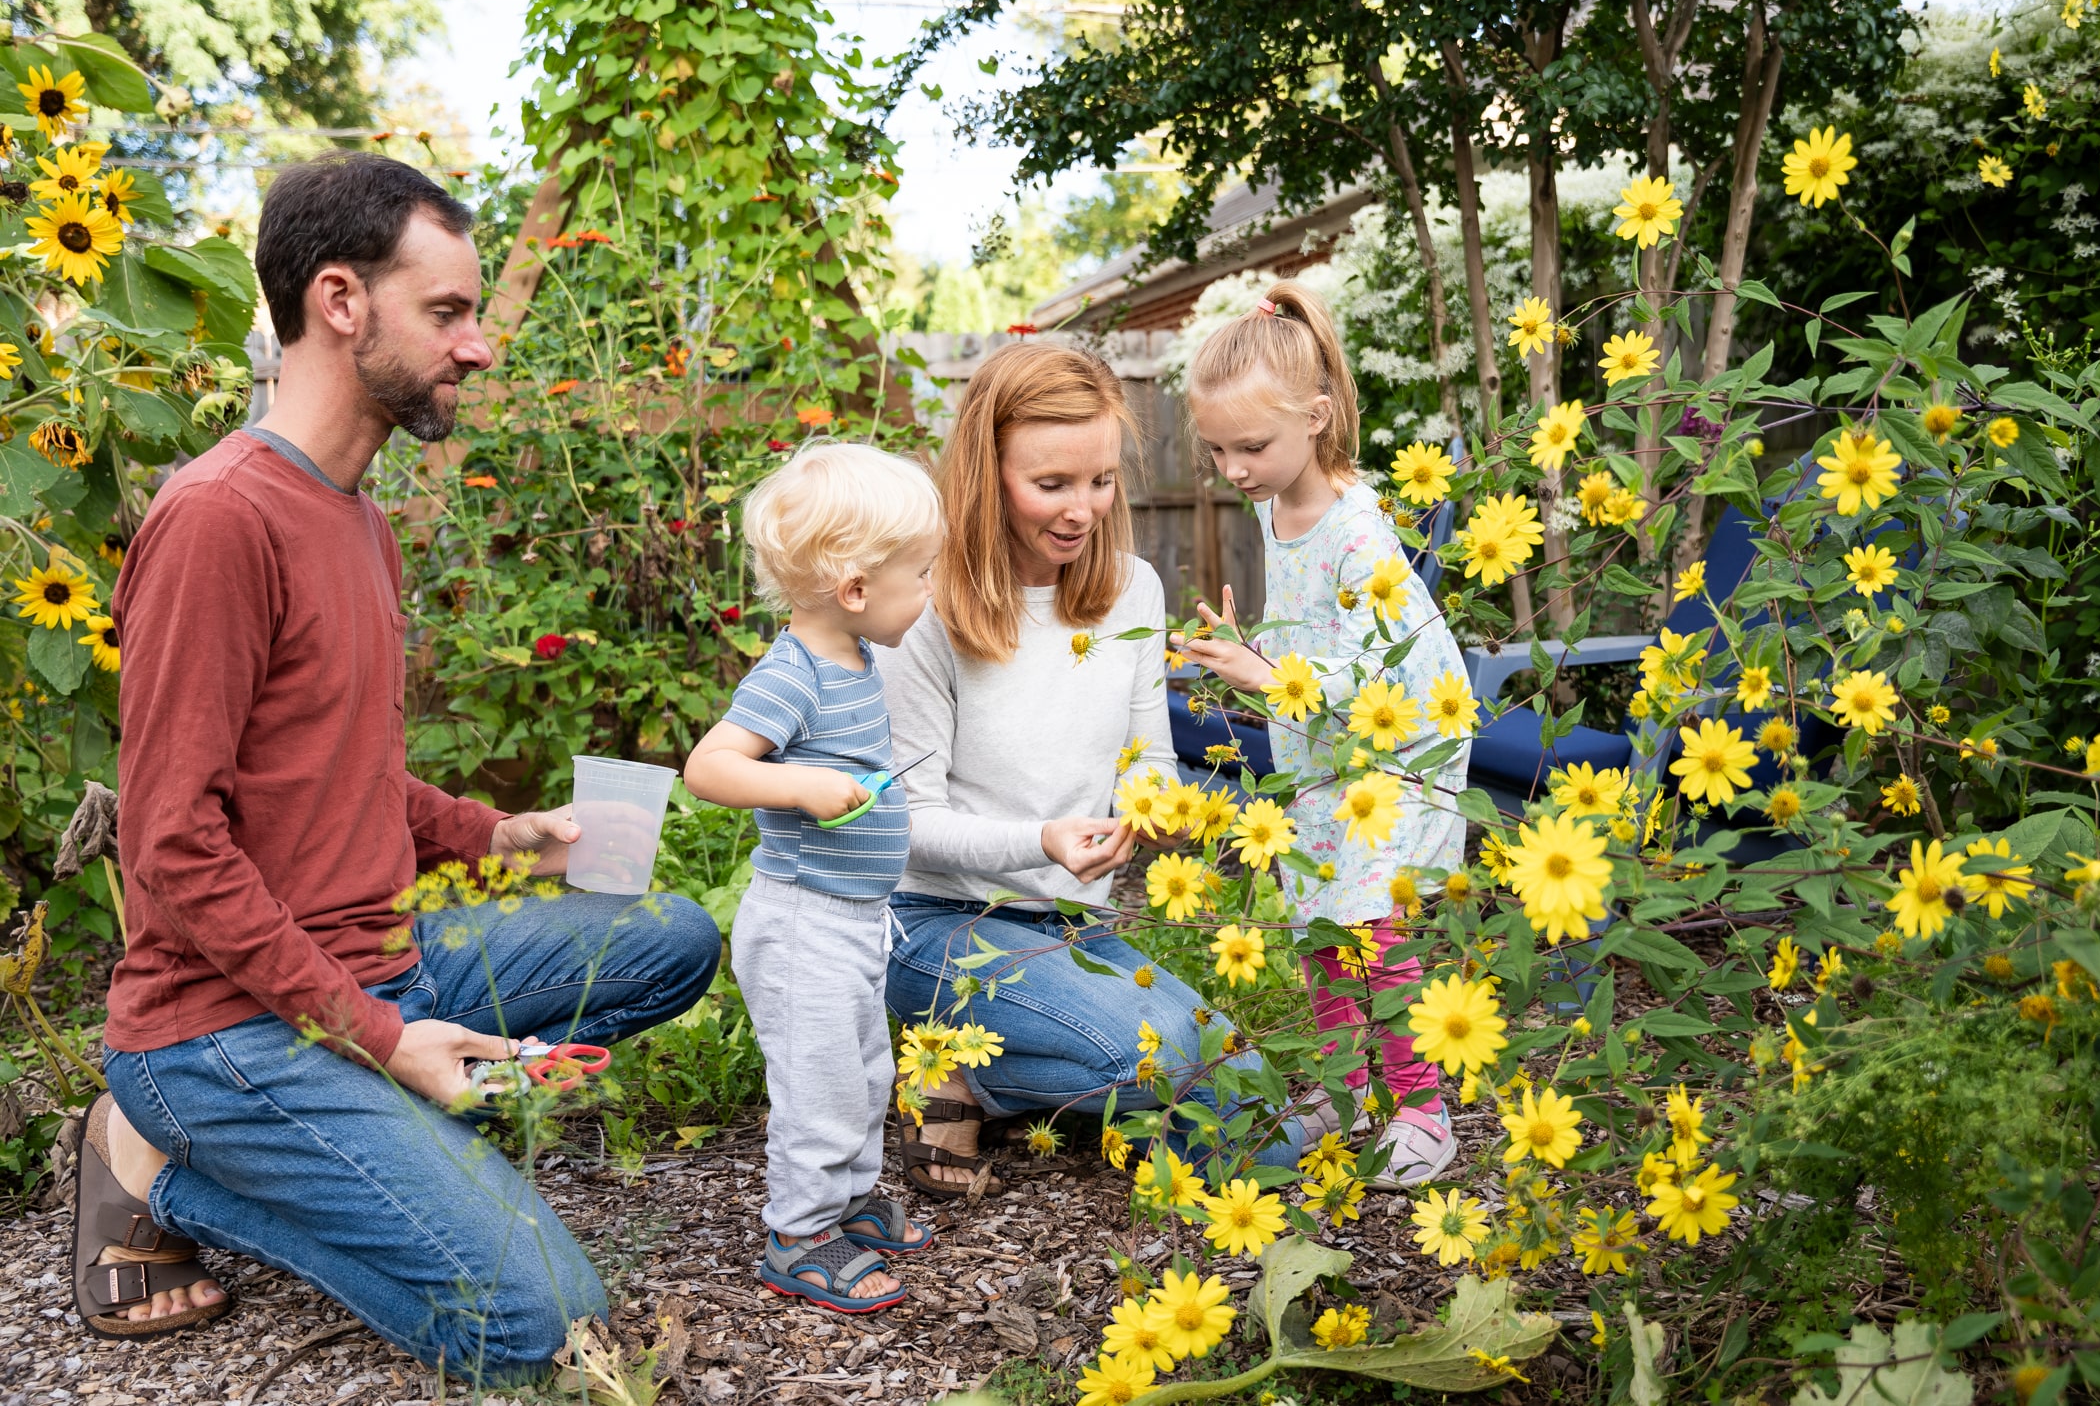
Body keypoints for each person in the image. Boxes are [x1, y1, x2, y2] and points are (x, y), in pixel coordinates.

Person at [78, 152, 721, 1381]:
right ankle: (155, 1166)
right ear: (339, 302)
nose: (476, 346)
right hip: (224, 1029)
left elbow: (328, 770)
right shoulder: (221, 519)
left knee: (674, 935)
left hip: (381, 958)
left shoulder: (358, 517)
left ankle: (381, 1134)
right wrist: (379, 1037)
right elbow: (170, 842)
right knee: (542, 1329)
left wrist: (493, 833)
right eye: (448, 312)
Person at [875, 342, 1302, 1193]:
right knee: (1183, 1072)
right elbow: (905, 823)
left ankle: (988, 1079)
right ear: (985, 471)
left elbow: (1149, 768)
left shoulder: (1130, 589)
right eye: (1052, 484)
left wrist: (1171, 813)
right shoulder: (923, 610)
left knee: (1248, 1098)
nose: (1083, 510)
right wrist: (1043, 838)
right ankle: (954, 1065)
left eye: (1101, 480)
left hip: (1077, 928)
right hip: (940, 927)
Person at [1172, 280, 1471, 1188]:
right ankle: (1350, 1090)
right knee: (1319, 929)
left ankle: (1423, 1112)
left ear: (1319, 414)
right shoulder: (1272, 501)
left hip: (1400, 748)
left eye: (1251, 446)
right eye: (1218, 448)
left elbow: (1378, 660)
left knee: (1376, 932)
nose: (1234, 468)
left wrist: (1270, 677)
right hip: (1326, 746)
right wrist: (1260, 646)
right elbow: (1317, 627)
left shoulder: (1360, 530)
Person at [683, 443, 943, 1313]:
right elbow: (709, 768)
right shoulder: (791, 675)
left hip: (855, 916)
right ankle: (798, 1232)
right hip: (802, 922)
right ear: (857, 590)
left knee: (864, 1069)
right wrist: (804, 785)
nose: (931, 591)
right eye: (923, 574)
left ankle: (848, 1199)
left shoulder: (856, 659)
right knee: (819, 1080)